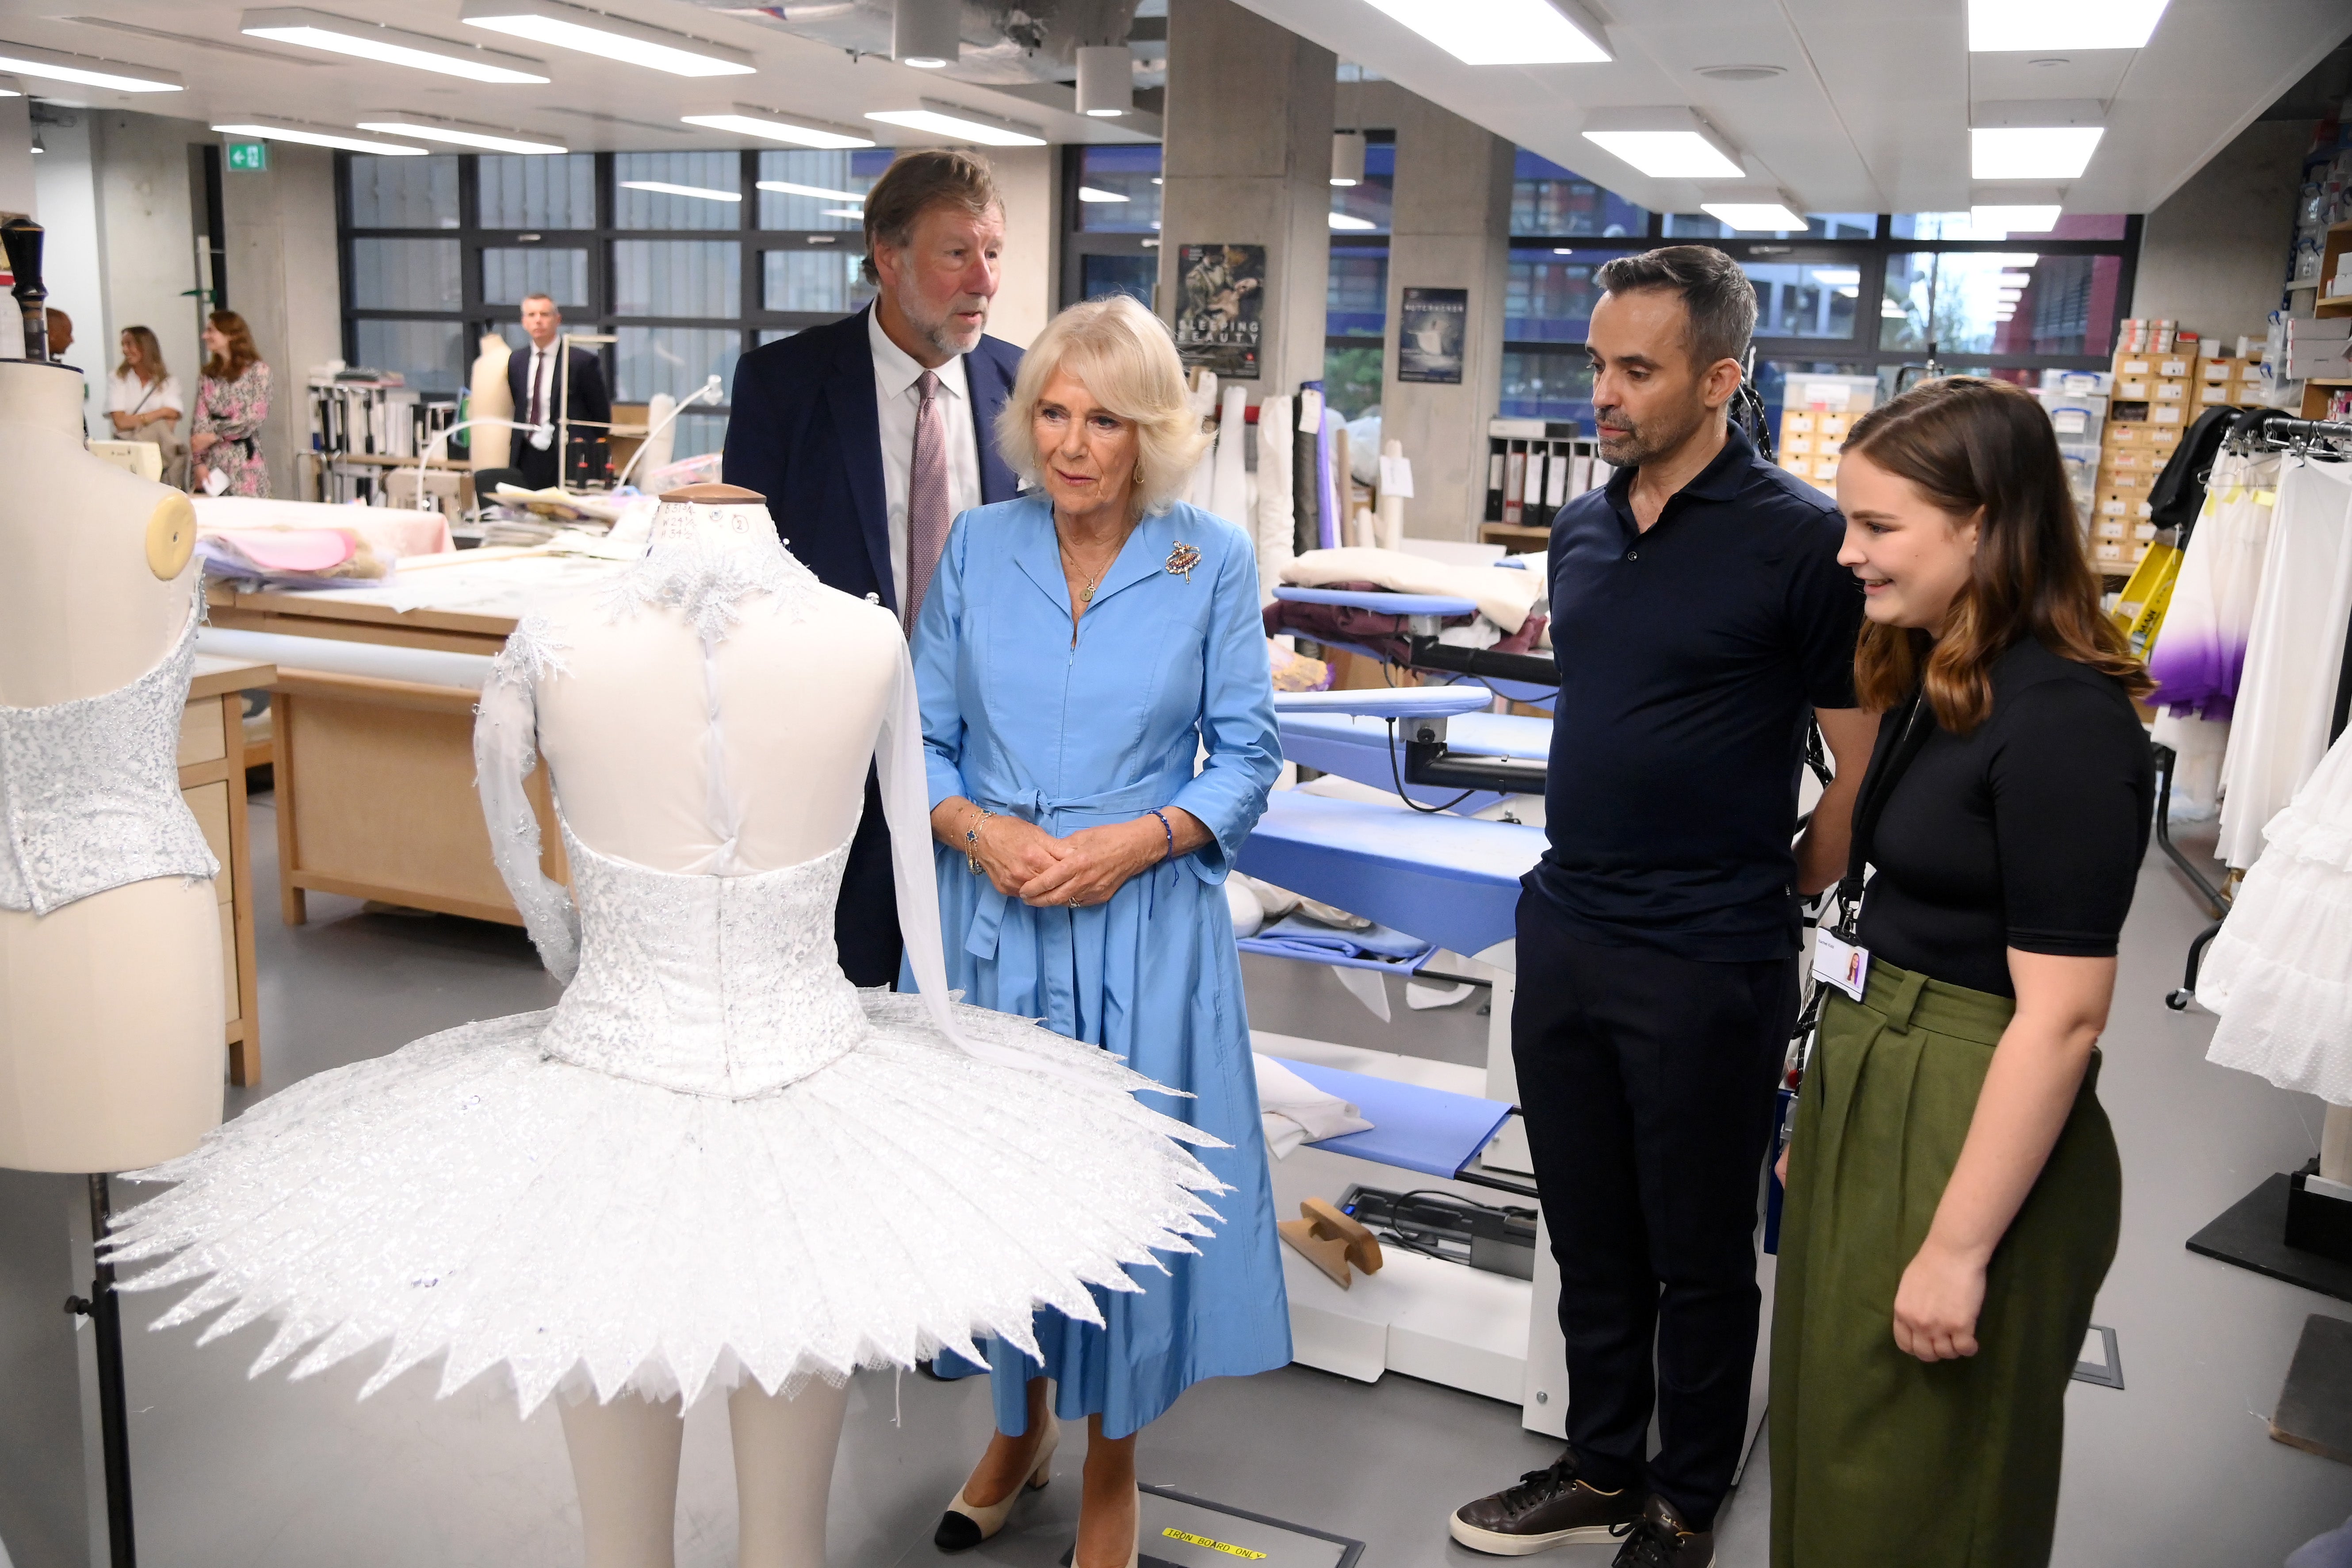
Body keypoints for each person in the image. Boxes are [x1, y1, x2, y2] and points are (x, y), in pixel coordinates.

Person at [1448, 246, 1872, 1567]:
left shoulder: (1803, 542)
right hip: (1569, 929)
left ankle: (1686, 1503)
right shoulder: (1578, 529)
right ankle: (1598, 1466)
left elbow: (1859, 762)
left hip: (1710, 955)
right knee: (1586, 1229)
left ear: (1721, 379)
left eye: (1638, 370)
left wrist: (1774, 887)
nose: (1607, 394)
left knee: (1698, 1253)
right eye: (1598, 365)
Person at [910, 294, 1286, 1568]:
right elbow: (918, 738)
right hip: (991, 917)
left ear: (1152, 434)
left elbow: (1245, 756)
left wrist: (1137, 839)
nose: (1072, 445)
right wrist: (978, 833)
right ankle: (1016, 1430)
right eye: (1054, 413)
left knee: (1122, 1195)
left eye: (1105, 421)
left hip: (1140, 928)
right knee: (998, 1189)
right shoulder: (975, 545)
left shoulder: (1207, 560)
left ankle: (1113, 1460)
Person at [1770, 377, 2149, 1567]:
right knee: (1835, 1434)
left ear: (1981, 523)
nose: (1847, 553)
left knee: (1925, 1482)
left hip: (1969, 1102)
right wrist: (1826, 1108)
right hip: (1877, 1072)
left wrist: (1952, 1249)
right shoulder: (1940, 674)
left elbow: (2061, 1018)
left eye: (1877, 527)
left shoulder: (2062, 720)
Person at [723, 149, 1025, 988]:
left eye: (993, 253)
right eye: (957, 253)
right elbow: (741, 576)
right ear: (886, 259)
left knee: (979, 1013)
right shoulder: (783, 385)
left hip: (987, 768)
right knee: (842, 1002)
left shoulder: (1023, 385)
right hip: (833, 761)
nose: (984, 280)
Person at [503, 292, 611, 491]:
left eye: (545, 314)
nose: (538, 321)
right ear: (524, 322)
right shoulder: (516, 361)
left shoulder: (581, 362)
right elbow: (518, 402)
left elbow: (601, 418)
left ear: (558, 319)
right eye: (532, 315)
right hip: (527, 452)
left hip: (567, 451)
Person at [191, 310, 271, 498]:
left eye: (211, 331)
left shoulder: (258, 372)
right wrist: (199, 463)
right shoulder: (208, 376)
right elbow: (199, 421)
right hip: (213, 464)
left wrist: (214, 435)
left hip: (245, 462)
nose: (205, 336)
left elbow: (253, 418)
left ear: (231, 335)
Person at [108, 325, 187, 481]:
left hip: (161, 458)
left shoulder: (169, 382)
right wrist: (160, 413)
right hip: (128, 457)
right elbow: (120, 422)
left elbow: (171, 422)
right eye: (123, 345)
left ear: (145, 346)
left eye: (130, 344)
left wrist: (135, 420)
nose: (125, 350)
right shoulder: (117, 379)